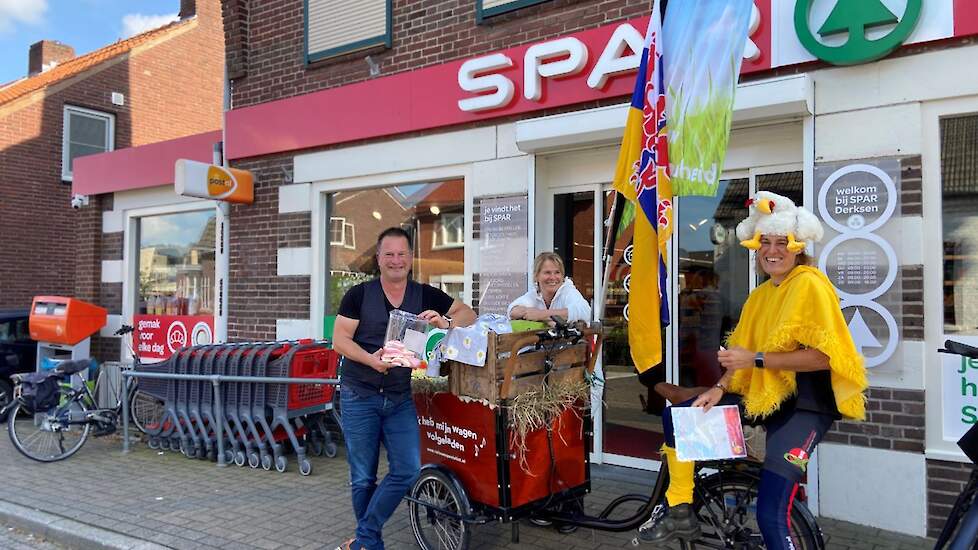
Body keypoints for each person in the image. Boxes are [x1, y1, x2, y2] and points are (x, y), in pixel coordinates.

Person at [639, 192, 868, 549]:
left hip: (805, 408)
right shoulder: (761, 295)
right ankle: (680, 509)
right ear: (756, 247)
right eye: (765, 243)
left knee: (770, 513)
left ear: (798, 248)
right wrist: (718, 387)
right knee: (681, 417)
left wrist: (756, 360)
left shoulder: (809, 284)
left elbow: (825, 357)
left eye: (781, 243)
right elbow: (740, 352)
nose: (772, 251)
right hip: (767, 397)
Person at [332, 227, 476, 550]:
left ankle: (365, 536)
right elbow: (339, 340)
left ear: (410, 259)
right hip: (359, 395)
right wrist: (370, 360)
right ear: (378, 259)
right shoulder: (359, 295)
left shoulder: (425, 294)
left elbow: (469, 314)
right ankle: (370, 544)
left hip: (398, 399)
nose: (396, 260)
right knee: (363, 477)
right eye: (389, 254)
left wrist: (445, 322)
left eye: (402, 254)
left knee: (409, 469)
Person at [507, 252, 591, 324]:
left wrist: (541, 314)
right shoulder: (535, 294)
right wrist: (542, 316)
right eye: (547, 272)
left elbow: (584, 311)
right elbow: (513, 311)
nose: (553, 277)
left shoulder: (568, 291)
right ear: (536, 276)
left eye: (557, 272)